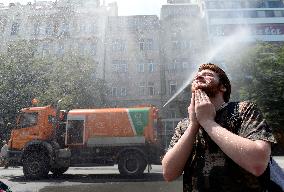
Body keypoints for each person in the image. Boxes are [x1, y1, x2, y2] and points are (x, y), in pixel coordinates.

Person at [162, 63, 277, 191]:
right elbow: (169, 174)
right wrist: (194, 125)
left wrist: (207, 121)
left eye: (208, 75)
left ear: (223, 87)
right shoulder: (184, 125)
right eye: (197, 76)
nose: (199, 77)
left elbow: (258, 163)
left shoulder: (243, 110)